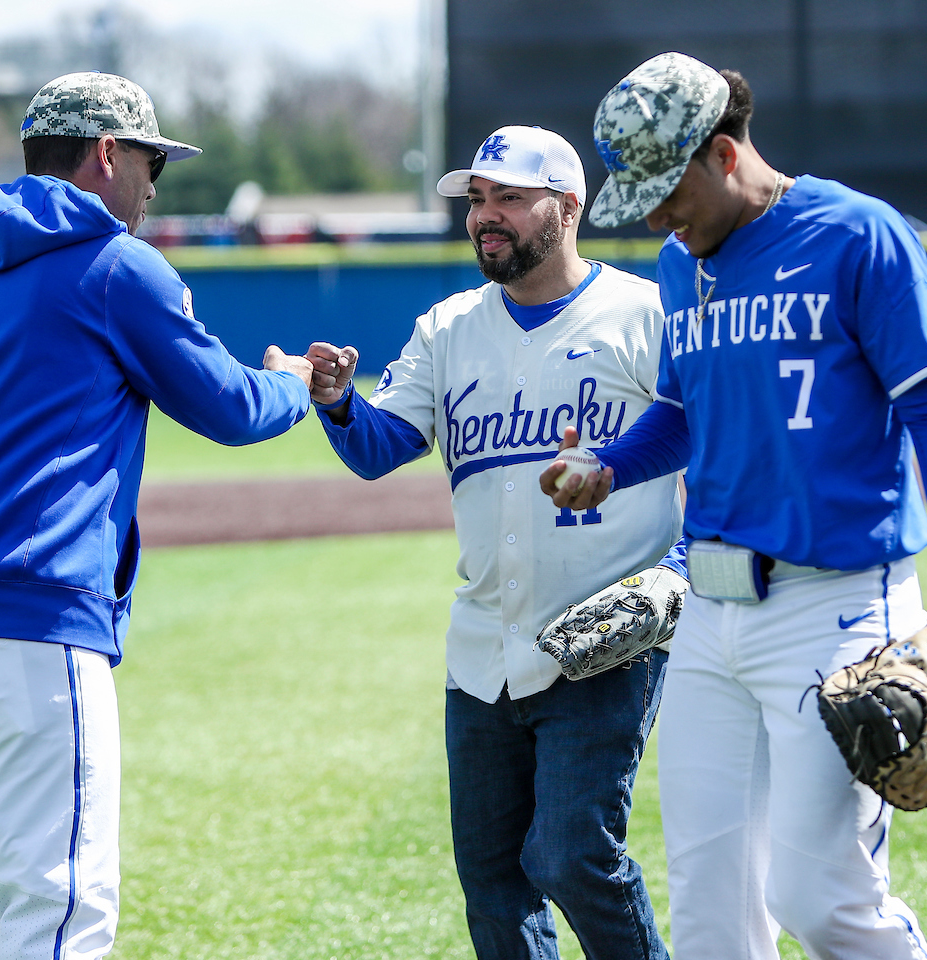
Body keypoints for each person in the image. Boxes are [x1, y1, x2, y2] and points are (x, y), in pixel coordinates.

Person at [542, 51, 927, 960]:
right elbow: (681, 416)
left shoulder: (856, 234)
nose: (661, 215)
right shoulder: (680, 265)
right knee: (711, 917)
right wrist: (608, 469)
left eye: (670, 188)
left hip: (834, 609)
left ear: (723, 151)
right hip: (708, 618)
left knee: (824, 900)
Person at [0, 72, 313, 960]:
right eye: (151, 160)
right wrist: (297, 385)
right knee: (60, 917)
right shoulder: (116, 265)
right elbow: (230, 407)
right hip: (36, 628)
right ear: (107, 154)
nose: (155, 185)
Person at [278, 125, 685, 960]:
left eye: (508, 197)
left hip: (605, 640)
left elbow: (716, 441)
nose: (485, 216)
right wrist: (339, 401)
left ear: (568, 207)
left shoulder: (643, 314)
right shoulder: (448, 327)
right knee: (496, 891)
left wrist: (676, 572)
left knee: (571, 856)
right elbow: (378, 449)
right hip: (484, 649)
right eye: (476, 200)